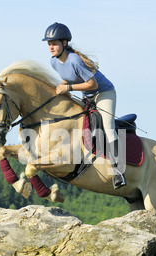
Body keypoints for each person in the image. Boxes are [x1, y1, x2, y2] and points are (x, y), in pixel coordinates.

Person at [42, 22, 126, 189]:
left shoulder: (75, 60)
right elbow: (69, 78)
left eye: (54, 43)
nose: (51, 47)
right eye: (49, 44)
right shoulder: (54, 62)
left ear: (64, 43)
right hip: (87, 95)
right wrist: (60, 86)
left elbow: (92, 84)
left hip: (103, 93)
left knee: (108, 128)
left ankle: (119, 172)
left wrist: (68, 87)